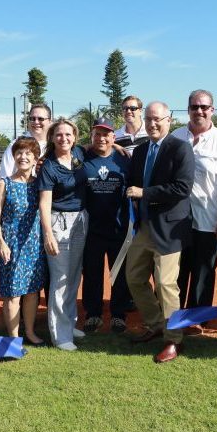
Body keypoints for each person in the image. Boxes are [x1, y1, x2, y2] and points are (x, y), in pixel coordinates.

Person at [125, 101, 194, 363]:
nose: (153, 124)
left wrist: (145, 193)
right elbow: (133, 181)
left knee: (166, 284)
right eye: (149, 119)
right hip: (144, 227)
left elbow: (182, 188)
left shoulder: (180, 148)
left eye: (158, 119)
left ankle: (174, 340)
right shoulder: (141, 151)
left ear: (169, 120)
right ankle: (156, 325)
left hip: (169, 229)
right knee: (133, 278)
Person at [171, 89, 217, 327]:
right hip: (177, 220)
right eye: (194, 107)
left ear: (212, 110)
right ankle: (174, 315)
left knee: (204, 271)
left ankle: (197, 319)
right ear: (188, 109)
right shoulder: (176, 137)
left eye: (204, 107)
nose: (198, 111)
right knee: (176, 271)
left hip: (209, 220)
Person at [0, 136, 47, 346]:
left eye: (28, 154)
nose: (23, 157)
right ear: (14, 156)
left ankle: (30, 332)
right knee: (13, 294)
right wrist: (2, 243)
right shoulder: (4, 183)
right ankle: (13, 339)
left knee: (32, 291)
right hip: (11, 245)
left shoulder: (39, 184)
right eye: (19, 153)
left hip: (34, 244)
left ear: (35, 159)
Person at [38, 118, 88, 351]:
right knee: (60, 279)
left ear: (75, 137)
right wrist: (48, 233)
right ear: (52, 138)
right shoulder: (48, 165)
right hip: (59, 222)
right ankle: (60, 335)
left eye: (68, 134)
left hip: (81, 220)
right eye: (59, 135)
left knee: (74, 275)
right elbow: (44, 202)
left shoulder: (78, 153)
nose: (64, 138)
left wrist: (118, 147)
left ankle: (69, 323)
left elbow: (97, 147)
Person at [81, 117, 133, 334]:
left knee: (119, 273)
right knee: (92, 273)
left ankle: (118, 315)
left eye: (106, 134)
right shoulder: (82, 156)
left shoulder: (124, 159)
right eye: (97, 134)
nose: (101, 138)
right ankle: (93, 314)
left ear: (114, 136)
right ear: (92, 136)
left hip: (118, 228)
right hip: (91, 229)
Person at [0, 103, 51, 177]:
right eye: (32, 119)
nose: (36, 122)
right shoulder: (17, 144)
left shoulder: (54, 145)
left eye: (40, 119)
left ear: (49, 121)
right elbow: (5, 176)